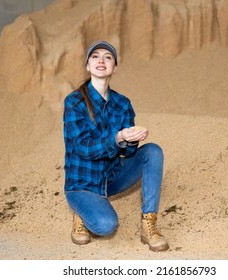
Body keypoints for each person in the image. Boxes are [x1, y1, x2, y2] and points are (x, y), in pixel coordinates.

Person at [63, 40, 169, 252]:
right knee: (106, 225)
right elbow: (83, 148)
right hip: (82, 183)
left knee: (153, 151)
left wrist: (131, 139)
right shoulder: (74, 102)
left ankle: (149, 225)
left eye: (108, 57)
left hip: (111, 178)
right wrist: (117, 137)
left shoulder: (122, 103)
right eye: (95, 56)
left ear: (114, 67)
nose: (101, 60)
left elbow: (128, 152)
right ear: (87, 66)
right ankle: (82, 212)